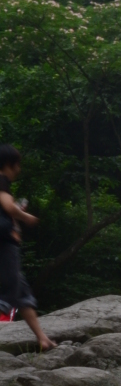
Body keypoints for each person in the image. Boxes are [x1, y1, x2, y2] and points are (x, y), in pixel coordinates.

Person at [0, 144, 55, 350]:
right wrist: (25, 216)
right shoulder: (1, 180)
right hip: (5, 244)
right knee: (9, 296)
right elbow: (7, 206)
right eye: (17, 165)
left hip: (6, 243)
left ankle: (42, 339)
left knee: (23, 295)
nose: (19, 169)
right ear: (8, 164)